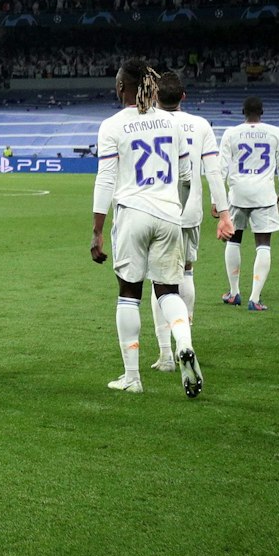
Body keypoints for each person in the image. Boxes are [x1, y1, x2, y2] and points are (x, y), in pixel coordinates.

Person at [91, 59, 206, 398]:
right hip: (170, 215)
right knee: (168, 291)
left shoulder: (112, 126)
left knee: (129, 294)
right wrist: (176, 209)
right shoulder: (171, 124)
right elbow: (186, 176)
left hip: (133, 214)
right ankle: (183, 343)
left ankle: (132, 377)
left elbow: (106, 179)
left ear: (123, 88)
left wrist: (97, 229)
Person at [153, 73, 233, 373]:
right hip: (190, 210)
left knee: (158, 280)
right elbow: (214, 172)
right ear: (183, 96)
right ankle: (185, 339)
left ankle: (164, 354)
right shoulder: (200, 126)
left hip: (157, 209)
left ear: (154, 96)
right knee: (186, 272)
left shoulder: (147, 123)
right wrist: (224, 214)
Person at [219, 96, 279, 313]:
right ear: (262, 112)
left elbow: (220, 168)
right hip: (264, 194)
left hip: (237, 194)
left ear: (243, 112)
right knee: (263, 244)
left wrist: (217, 200)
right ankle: (255, 298)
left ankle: (233, 292)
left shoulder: (231, 133)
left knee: (234, 240)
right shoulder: (274, 132)